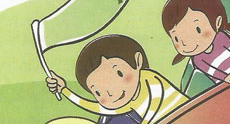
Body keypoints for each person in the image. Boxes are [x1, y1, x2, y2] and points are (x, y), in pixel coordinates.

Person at [45, 34, 187, 124]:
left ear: (137, 61)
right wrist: (64, 90)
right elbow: (93, 106)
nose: (111, 93)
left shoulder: (151, 81)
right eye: (98, 92)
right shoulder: (121, 106)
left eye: (119, 74)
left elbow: (156, 110)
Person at [162, 0, 230, 84]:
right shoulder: (197, 59)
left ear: (217, 23)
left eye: (198, 29)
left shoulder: (221, 37)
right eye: (176, 38)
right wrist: (225, 77)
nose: (185, 43)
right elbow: (212, 72)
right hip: (227, 82)